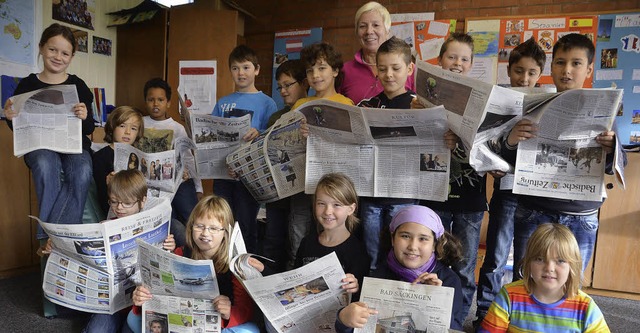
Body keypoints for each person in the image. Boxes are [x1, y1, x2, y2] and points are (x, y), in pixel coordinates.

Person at [501, 33, 626, 280]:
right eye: (560, 62)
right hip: (534, 210)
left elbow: (616, 166)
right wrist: (512, 140)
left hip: (580, 214)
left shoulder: (603, 109)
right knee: (526, 282)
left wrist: (612, 147)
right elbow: (510, 160)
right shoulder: (532, 104)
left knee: (570, 286)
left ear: (589, 69)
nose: (566, 70)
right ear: (552, 66)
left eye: (576, 63)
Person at [38, 169, 179, 333]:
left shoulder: (154, 226)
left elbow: (167, 272)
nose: (119, 208)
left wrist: (171, 247)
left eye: (127, 203)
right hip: (111, 303)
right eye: (113, 202)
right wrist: (52, 246)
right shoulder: (104, 227)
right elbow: (63, 254)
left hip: (141, 302)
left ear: (143, 201)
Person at [474, 37, 546, 325]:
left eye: (531, 73)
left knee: (526, 259)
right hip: (505, 190)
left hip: (534, 193)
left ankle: (517, 316)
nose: (524, 78)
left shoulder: (548, 101)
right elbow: (485, 144)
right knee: (495, 255)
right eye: (518, 71)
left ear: (540, 74)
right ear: (509, 70)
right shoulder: (498, 100)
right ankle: (484, 314)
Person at [3, 23, 94, 239]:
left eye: (65, 53)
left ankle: (49, 237)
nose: (58, 56)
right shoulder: (27, 84)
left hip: (73, 144)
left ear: (71, 57)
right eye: (52, 49)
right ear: (41, 48)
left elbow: (89, 128)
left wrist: (84, 116)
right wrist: (10, 117)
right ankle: (62, 237)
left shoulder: (78, 85)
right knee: (45, 165)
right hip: (39, 145)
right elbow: (18, 126)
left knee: (82, 171)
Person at [420, 32, 487, 324]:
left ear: (471, 64)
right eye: (451, 57)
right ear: (440, 61)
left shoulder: (482, 98)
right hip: (434, 192)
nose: (457, 63)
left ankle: (456, 322)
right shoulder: (422, 99)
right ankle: (432, 317)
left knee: (465, 263)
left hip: (470, 198)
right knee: (432, 257)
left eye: (464, 59)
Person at [130, 195, 260, 333]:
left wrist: (228, 313)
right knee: (132, 318)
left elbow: (244, 309)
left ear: (225, 232)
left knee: (249, 331)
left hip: (216, 322)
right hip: (182, 319)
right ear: (191, 226)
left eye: (214, 228)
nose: (205, 233)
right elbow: (161, 295)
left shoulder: (235, 264)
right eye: (199, 226)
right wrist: (142, 298)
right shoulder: (180, 253)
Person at [334, 205, 464, 331]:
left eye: (423, 239)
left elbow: (454, 328)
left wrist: (438, 300)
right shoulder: (379, 275)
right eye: (405, 236)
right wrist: (343, 319)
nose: (412, 246)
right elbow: (358, 324)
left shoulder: (450, 281)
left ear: (435, 244)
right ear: (392, 239)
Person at [356, 37, 420, 271]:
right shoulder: (367, 105)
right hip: (371, 195)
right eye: (382, 69)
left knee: (400, 256)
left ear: (410, 68)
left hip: (404, 195)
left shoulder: (419, 105)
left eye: (396, 68)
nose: (389, 74)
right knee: (372, 253)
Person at [479, 223, 610, 332]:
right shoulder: (509, 296)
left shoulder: (586, 308)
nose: (549, 268)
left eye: (560, 261)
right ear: (528, 262)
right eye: (540, 259)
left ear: (572, 266)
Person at [212, 45, 277, 254]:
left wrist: (259, 134)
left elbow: (272, 139)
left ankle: (246, 274)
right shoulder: (223, 103)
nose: (241, 73)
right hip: (223, 175)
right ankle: (223, 269)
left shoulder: (267, 103)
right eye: (235, 68)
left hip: (249, 177)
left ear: (257, 69)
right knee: (222, 223)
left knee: (246, 226)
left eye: (246, 67)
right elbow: (212, 136)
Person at [262, 59, 314, 272]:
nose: (283, 91)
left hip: (303, 189)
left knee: (299, 238)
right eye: (279, 87)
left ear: (304, 83)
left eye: (288, 85)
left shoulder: (312, 111)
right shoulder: (276, 116)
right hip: (278, 191)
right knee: (274, 238)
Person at [294, 173, 369, 302]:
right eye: (321, 203)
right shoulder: (307, 242)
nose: (328, 211)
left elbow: (359, 295)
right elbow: (295, 280)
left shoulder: (357, 250)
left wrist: (355, 288)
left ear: (351, 209)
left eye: (336, 205)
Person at [140, 78, 201, 224]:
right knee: (164, 218)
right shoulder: (139, 122)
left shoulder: (177, 128)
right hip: (148, 181)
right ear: (145, 101)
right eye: (151, 99)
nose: (156, 104)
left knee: (190, 216)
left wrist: (198, 187)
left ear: (168, 103)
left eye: (160, 100)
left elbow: (188, 158)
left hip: (175, 181)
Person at [339, 1, 415, 104]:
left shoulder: (408, 68)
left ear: (387, 31)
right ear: (357, 32)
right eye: (362, 26)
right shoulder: (345, 71)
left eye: (376, 25)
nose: (369, 31)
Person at [93, 106, 144, 217]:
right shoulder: (101, 157)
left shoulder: (140, 156)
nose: (127, 132)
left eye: (133, 128)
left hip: (141, 210)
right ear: (112, 127)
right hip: (116, 211)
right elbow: (99, 196)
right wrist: (109, 184)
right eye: (122, 126)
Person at [291, 42, 354, 109]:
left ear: (335, 71)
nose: (315, 75)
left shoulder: (346, 104)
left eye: (321, 68)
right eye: (309, 71)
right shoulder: (300, 105)